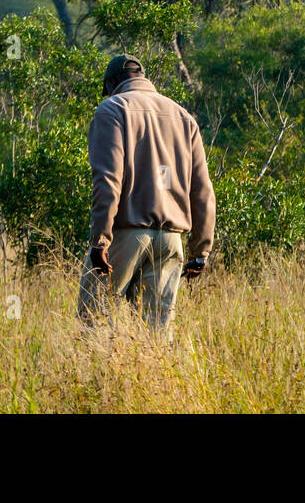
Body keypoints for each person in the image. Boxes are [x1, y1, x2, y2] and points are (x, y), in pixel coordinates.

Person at [77, 54, 216, 333]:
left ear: (113, 83)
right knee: (157, 332)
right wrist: (200, 251)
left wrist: (100, 241)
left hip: (126, 235)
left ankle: (99, 377)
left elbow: (108, 179)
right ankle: (152, 377)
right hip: (171, 241)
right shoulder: (183, 117)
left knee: (95, 319)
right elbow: (202, 191)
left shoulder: (112, 109)